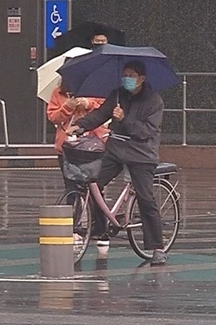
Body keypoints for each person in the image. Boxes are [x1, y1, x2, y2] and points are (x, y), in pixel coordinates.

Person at [67, 60, 168, 265]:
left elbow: (146, 132)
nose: (127, 79)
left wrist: (124, 119)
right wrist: (79, 127)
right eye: (125, 75)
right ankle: (100, 228)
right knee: (92, 182)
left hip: (141, 153)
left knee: (146, 198)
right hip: (115, 149)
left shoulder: (154, 101)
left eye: (131, 75)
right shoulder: (117, 94)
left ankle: (157, 246)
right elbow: (100, 114)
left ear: (141, 78)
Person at [47, 79, 108, 194]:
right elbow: (53, 117)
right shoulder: (58, 92)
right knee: (71, 187)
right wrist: (68, 107)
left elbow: (105, 111)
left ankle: (96, 211)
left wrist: (88, 104)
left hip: (94, 146)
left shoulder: (98, 89)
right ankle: (74, 210)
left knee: (95, 188)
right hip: (68, 146)